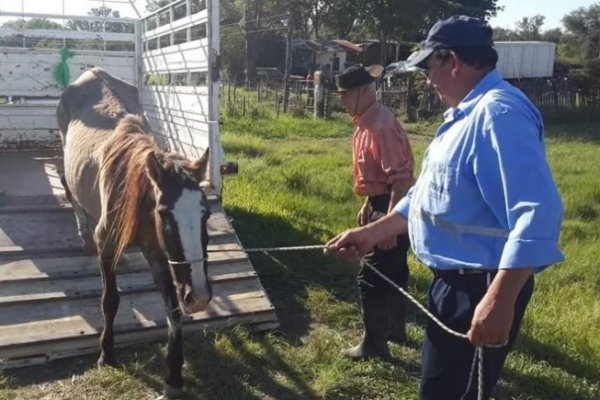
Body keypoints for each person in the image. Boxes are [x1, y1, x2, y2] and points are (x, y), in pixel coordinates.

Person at [325, 16, 563, 400]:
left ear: (452, 61)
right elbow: (426, 196)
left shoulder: (497, 114)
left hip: (480, 283)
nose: (426, 79)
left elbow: (538, 212)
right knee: (439, 389)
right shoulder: (464, 115)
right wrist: (371, 233)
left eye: (428, 67)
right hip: (455, 283)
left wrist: (500, 300)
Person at [334, 64, 415, 360]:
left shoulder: (382, 125)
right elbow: (378, 176)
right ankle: (395, 330)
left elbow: (402, 178)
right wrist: (368, 203)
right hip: (381, 203)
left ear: (365, 92)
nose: (341, 101)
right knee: (394, 269)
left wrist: (389, 223)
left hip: (395, 204)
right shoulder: (365, 122)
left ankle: (374, 345)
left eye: (346, 95)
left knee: (371, 275)